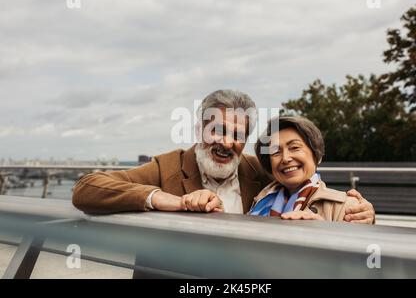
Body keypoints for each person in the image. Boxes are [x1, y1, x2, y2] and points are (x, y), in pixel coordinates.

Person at [72, 89, 375, 224]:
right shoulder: (168, 166)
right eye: (217, 130)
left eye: (237, 135)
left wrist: (361, 214)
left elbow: (307, 186)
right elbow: (87, 188)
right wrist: (167, 199)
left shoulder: (262, 171)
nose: (226, 142)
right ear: (197, 128)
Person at [249, 115, 359, 221]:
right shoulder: (259, 200)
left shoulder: (348, 207)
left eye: (294, 147)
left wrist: (321, 231)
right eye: (276, 152)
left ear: (316, 155)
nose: (285, 158)